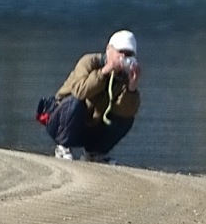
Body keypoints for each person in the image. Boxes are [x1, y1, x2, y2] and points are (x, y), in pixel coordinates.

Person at [37, 30, 141, 163]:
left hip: (89, 126)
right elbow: (79, 91)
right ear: (109, 50)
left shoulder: (124, 77)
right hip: (60, 121)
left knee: (126, 119)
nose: (124, 58)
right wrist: (104, 72)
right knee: (76, 103)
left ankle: (95, 153)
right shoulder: (89, 62)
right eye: (121, 53)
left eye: (129, 55)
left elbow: (124, 112)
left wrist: (132, 87)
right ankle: (62, 147)